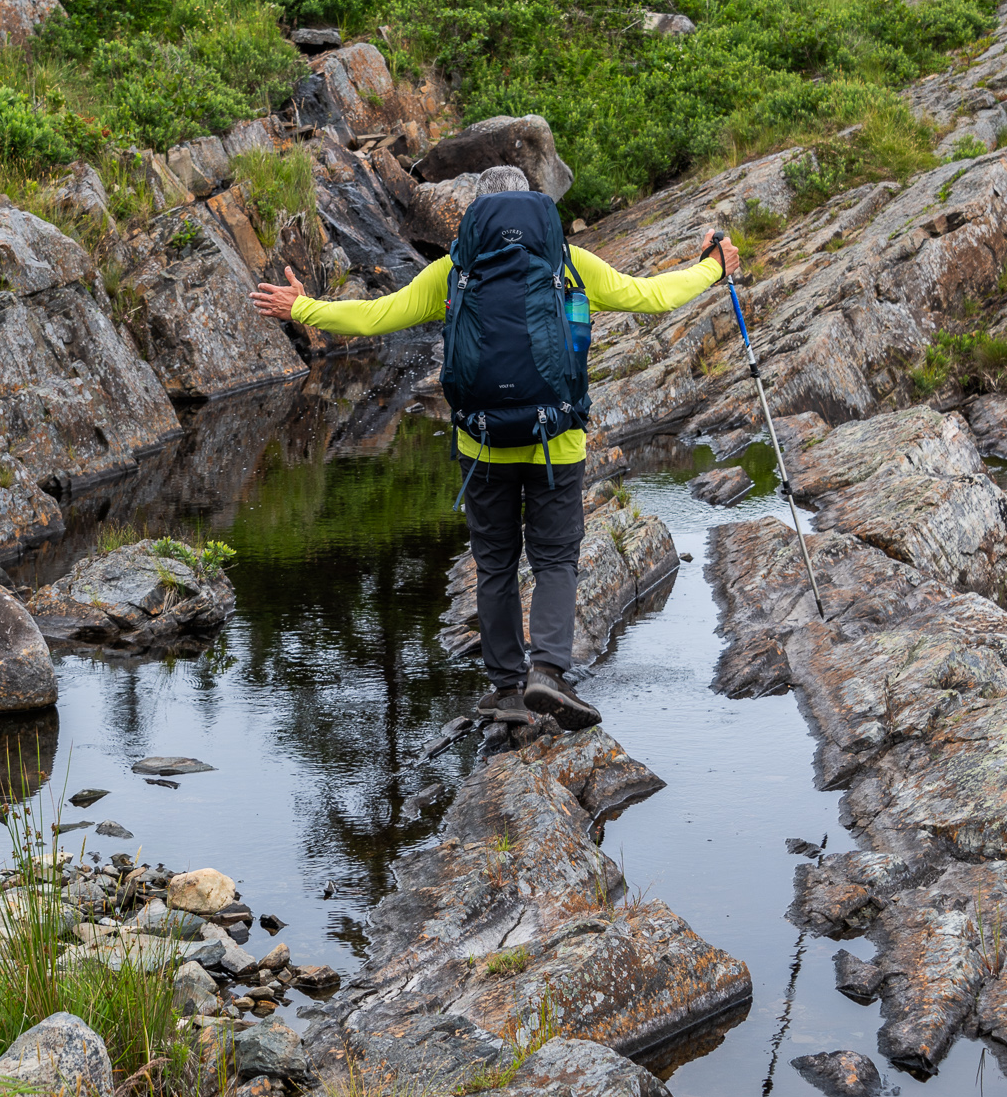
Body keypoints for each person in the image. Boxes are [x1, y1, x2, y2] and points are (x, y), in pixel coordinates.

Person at [252, 166, 739, 732]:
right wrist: (711, 266)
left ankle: (506, 687)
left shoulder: (455, 273)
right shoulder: (568, 265)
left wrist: (304, 308)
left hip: (480, 443)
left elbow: (377, 316)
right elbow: (652, 296)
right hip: (556, 440)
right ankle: (549, 675)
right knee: (555, 558)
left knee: (495, 564)